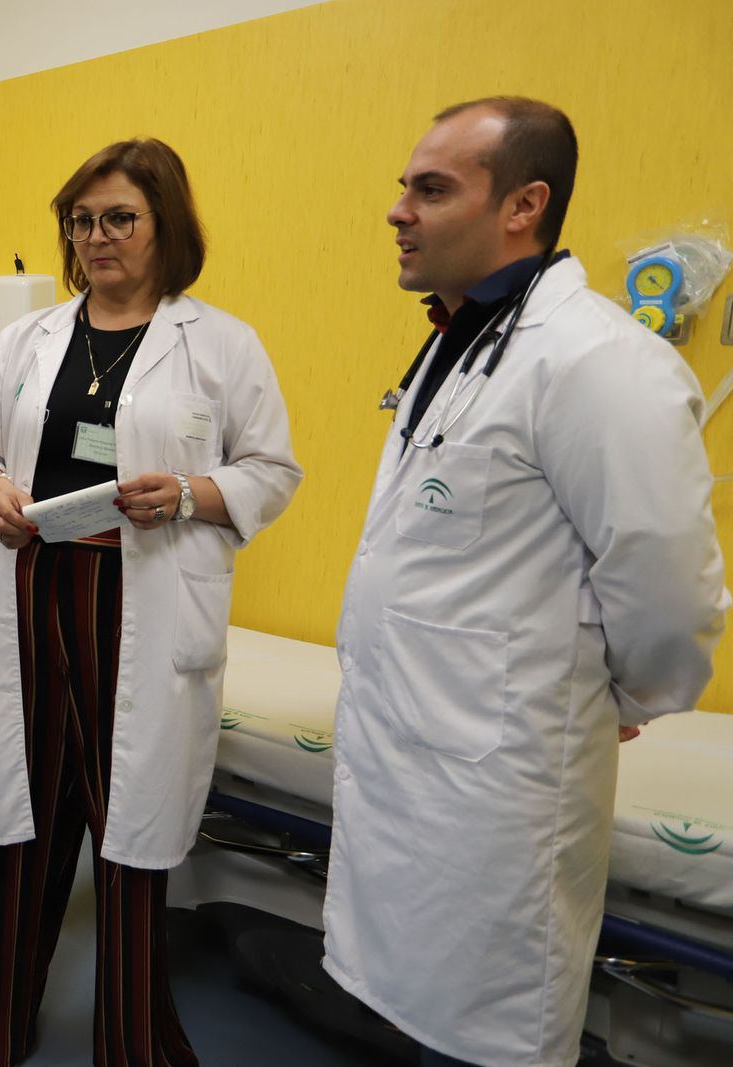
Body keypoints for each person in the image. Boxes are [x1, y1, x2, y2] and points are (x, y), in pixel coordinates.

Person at [323, 97, 728, 1067]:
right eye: (402, 187)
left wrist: (621, 693)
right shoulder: (459, 342)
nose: (397, 211)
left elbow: (670, 592)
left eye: (430, 188)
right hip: (411, 761)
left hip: (496, 792)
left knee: (485, 1036)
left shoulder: (599, 362)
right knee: (420, 1017)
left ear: (523, 204)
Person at [0, 138, 302, 1066]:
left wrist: (187, 494)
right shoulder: (26, 339)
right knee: (22, 820)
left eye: (120, 218)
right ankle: (0, 1030)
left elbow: (273, 471)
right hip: (34, 591)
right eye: (83, 220)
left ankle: (132, 1042)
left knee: (126, 831)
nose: (98, 237)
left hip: (137, 599)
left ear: (164, 227)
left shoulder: (220, 343)